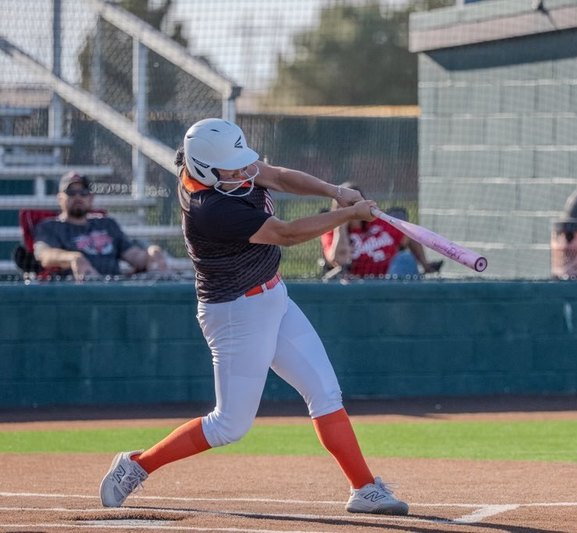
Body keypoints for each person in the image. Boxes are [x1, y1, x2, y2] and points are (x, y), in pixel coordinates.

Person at [99, 118, 408, 515]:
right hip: (235, 314)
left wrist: (337, 192)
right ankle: (136, 466)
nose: (244, 170)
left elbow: (277, 175)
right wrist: (348, 215)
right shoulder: (209, 209)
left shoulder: (229, 168)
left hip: (273, 296)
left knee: (326, 392)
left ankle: (364, 488)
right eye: (232, 166)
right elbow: (287, 233)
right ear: (205, 171)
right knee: (229, 425)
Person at [33, 172, 167, 280]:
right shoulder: (49, 227)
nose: (78, 197)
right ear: (60, 198)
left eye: (83, 192)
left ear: (91, 198)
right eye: (71, 193)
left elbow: (133, 255)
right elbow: (44, 255)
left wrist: (152, 254)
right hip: (75, 294)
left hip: (114, 290)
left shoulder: (107, 224)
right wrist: (73, 258)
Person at [320, 184, 441, 278]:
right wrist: (341, 227)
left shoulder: (378, 222)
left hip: (389, 278)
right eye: (337, 208)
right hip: (356, 284)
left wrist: (425, 264)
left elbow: (408, 237)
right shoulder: (332, 232)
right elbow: (338, 261)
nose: (340, 211)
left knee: (405, 258)